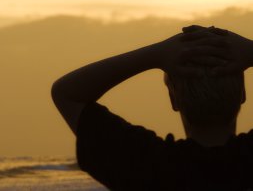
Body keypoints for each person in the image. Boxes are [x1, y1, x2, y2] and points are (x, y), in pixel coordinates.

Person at [51, 25, 253, 190]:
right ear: (243, 95)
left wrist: (156, 55)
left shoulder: (148, 166)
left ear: (173, 100)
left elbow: (67, 93)